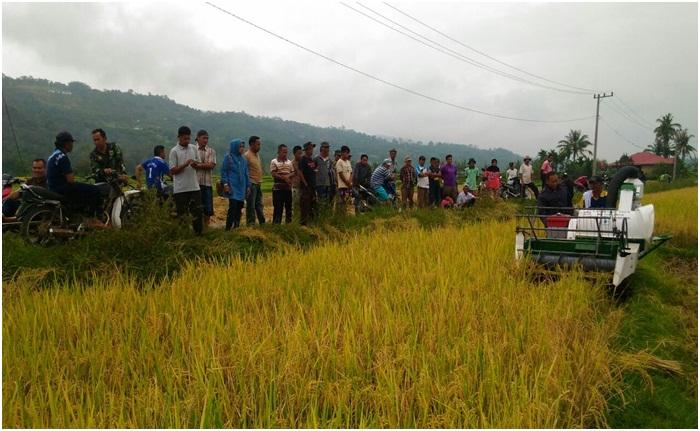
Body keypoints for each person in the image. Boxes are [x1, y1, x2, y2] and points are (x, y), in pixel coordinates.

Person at [47, 131, 104, 226]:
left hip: (53, 187)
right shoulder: (62, 157)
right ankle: (92, 219)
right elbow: (71, 180)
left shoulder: (53, 155)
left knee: (81, 190)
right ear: (66, 143)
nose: (72, 145)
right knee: (94, 190)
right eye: (71, 143)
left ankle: (77, 214)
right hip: (61, 188)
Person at [168, 126, 203, 235]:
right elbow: (173, 171)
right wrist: (185, 164)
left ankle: (198, 234)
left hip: (194, 186)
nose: (187, 141)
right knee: (182, 214)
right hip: (180, 189)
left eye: (188, 138)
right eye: (184, 139)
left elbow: (199, 164)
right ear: (179, 137)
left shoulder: (193, 148)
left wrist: (195, 164)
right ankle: (183, 234)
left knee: (197, 211)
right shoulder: (174, 151)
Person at [221, 139, 250, 230]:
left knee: (239, 208)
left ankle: (236, 227)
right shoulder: (228, 157)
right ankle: (228, 228)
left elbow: (246, 174)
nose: (242, 149)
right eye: (240, 147)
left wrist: (248, 186)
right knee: (232, 207)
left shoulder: (243, 160)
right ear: (235, 147)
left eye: (243, 147)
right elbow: (224, 171)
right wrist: (225, 184)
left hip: (241, 187)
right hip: (232, 187)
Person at [90, 128, 127, 198]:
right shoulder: (93, 155)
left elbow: (120, 163)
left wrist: (123, 175)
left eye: (98, 139)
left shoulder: (114, 148)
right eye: (94, 140)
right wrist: (104, 171)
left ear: (105, 139)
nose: (96, 142)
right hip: (102, 183)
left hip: (117, 181)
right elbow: (95, 171)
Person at [194, 130, 217, 226]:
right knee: (196, 208)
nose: (206, 140)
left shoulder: (211, 151)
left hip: (207, 184)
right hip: (195, 184)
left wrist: (198, 165)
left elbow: (211, 165)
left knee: (208, 209)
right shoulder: (192, 150)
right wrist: (205, 164)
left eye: (207, 138)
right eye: (204, 138)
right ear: (198, 138)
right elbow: (191, 164)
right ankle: (198, 228)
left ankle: (206, 227)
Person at [270, 144, 294, 224]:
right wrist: (284, 178)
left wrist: (288, 176)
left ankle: (288, 225)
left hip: (287, 189)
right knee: (278, 209)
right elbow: (273, 173)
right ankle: (276, 226)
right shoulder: (274, 161)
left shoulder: (289, 162)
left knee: (288, 208)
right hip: (278, 189)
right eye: (283, 152)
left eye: (286, 152)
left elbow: (293, 172)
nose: (285, 154)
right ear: (279, 152)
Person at [244, 135, 265, 225]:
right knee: (251, 206)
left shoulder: (257, 155)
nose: (259, 146)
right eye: (258, 144)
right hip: (251, 184)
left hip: (258, 183)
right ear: (252, 144)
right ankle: (251, 224)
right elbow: (244, 172)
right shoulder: (247, 156)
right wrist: (247, 185)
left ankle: (262, 223)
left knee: (259, 205)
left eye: (260, 144)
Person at [298, 142, 318, 225]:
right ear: (306, 150)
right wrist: (305, 183)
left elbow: (315, 171)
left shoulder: (311, 160)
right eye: (310, 149)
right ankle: (303, 224)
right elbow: (300, 172)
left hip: (313, 186)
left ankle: (311, 224)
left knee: (312, 206)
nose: (312, 150)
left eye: (312, 148)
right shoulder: (303, 160)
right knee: (305, 206)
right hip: (306, 187)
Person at [335, 145, 353, 214]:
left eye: (348, 153)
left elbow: (351, 172)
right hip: (342, 185)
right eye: (346, 153)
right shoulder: (339, 162)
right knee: (342, 201)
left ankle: (346, 214)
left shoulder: (348, 162)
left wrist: (350, 182)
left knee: (348, 201)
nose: (347, 154)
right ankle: (341, 216)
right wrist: (347, 183)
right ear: (342, 153)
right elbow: (341, 174)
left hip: (348, 185)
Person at [290, 145, 303, 217]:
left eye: (301, 153)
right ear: (294, 154)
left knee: (303, 205)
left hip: (303, 187)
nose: (300, 155)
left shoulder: (303, 162)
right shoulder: (291, 163)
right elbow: (289, 175)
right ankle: (295, 219)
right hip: (295, 186)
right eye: (299, 153)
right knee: (295, 205)